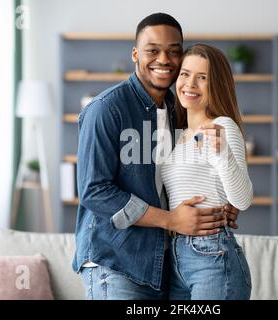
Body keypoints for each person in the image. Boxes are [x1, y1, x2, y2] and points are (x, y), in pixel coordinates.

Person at [72, 13, 241, 300]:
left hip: (162, 265)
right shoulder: (106, 109)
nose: (164, 59)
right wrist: (169, 220)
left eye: (174, 51)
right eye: (153, 50)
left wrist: (222, 200)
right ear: (136, 54)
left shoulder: (180, 111)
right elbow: (94, 190)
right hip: (115, 262)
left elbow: (181, 176)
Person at [161, 44, 253, 300]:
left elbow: (242, 199)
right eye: (185, 74)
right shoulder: (177, 134)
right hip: (176, 258)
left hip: (212, 255)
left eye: (203, 78)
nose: (190, 84)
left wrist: (221, 153)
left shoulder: (222, 126)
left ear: (217, 85)